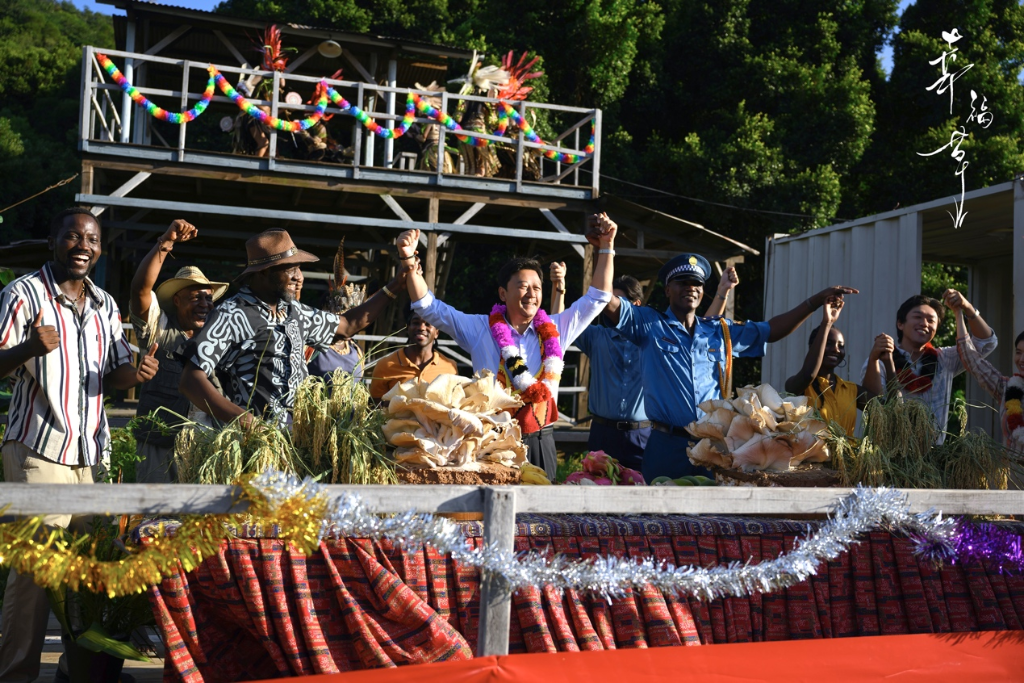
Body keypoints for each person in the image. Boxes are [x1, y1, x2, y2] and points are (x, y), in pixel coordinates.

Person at [0, 207, 159, 683]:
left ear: (99, 249)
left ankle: (76, 672)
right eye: (72, 236)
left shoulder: (106, 304)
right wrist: (29, 347)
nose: (82, 246)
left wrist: (137, 373)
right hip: (36, 449)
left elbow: (112, 376)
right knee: (36, 571)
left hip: (89, 455)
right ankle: (15, 675)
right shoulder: (23, 294)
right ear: (54, 242)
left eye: (91, 239)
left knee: (86, 569)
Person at [603, 251, 857, 482]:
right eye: (683, 283)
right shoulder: (649, 324)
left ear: (703, 292)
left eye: (697, 284)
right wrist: (606, 246)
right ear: (668, 289)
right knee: (660, 521)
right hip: (665, 444)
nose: (691, 289)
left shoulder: (720, 331)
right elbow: (605, 299)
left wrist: (814, 303)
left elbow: (771, 330)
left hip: (715, 446)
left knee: (715, 522)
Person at [398, 214, 617, 479]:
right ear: (503, 293)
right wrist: (408, 260)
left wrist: (606, 246)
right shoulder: (480, 328)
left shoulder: (556, 330)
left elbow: (598, 298)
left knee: (541, 515)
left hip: (540, 439)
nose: (532, 294)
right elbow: (429, 308)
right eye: (523, 286)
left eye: (537, 287)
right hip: (493, 439)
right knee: (494, 513)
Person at [179, 228, 410, 427]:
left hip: (298, 442)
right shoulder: (231, 314)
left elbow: (348, 325)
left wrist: (396, 286)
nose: (299, 277)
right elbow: (191, 380)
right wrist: (244, 421)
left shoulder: (295, 312)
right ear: (264, 271)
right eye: (290, 269)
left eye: (299, 268)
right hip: (254, 446)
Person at [559, 267, 739, 471]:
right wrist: (559, 290)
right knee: (596, 492)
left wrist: (722, 293)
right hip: (603, 432)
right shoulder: (597, 337)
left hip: (642, 434)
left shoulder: (652, 336)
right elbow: (563, 326)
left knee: (643, 495)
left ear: (635, 306)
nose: (610, 306)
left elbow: (700, 332)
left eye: (618, 300)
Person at [128, 219, 229, 483]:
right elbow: (140, 291)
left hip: (208, 447)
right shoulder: (159, 330)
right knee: (155, 521)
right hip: (161, 447)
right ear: (177, 300)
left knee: (202, 522)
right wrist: (166, 244)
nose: (204, 304)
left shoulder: (219, 340)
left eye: (208, 297)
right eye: (195, 297)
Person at [861, 291, 996, 443]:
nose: (924, 323)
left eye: (931, 320)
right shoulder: (881, 359)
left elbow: (986, 343)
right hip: (890, 454)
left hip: (934, 456)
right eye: (918, 317)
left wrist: (966, 308)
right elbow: (874, 404)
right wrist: (875, 359)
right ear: (900, 323)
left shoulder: (945, 359)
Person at [784, 295, 887, 437]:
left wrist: (878, 359)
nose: (836, 350)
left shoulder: (851, 390)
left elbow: (881, 407)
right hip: (811, 458)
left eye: (841, 346)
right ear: (814, 347)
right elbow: (809, 374)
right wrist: (827, 322)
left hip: (847, 459)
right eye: (828, 343)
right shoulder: (797, 385)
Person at [956, 312, 1024, 456]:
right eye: (1018, 352)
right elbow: (972, 360)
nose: (1021, 359)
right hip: (1013, 475)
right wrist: (961, 312)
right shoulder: (1008, 388)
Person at [369, 308, 458, 400]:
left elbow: (454, 405)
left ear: (437, 332)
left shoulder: (450, 368)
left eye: (428, 324)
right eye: (416, 323)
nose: (421, 328)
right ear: (407, 328)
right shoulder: (385, 365)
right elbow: (374, 406)